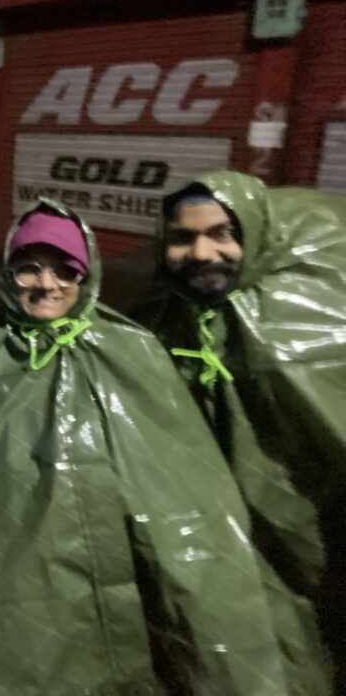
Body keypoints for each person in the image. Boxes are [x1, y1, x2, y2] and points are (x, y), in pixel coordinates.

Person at [0, 198, 327, 695]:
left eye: (66, 269)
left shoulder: (132, 347)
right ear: (6, 272)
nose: (46, 284)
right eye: (27, 269)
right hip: (35, 578)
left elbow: (183, 477)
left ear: (87, 275)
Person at [137, 170, 346, 691]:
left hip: (309, 530)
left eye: (221, 234)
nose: (202, 253)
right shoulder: (160, 321)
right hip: (221, 535)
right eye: (182, 239)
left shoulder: (309, 323)